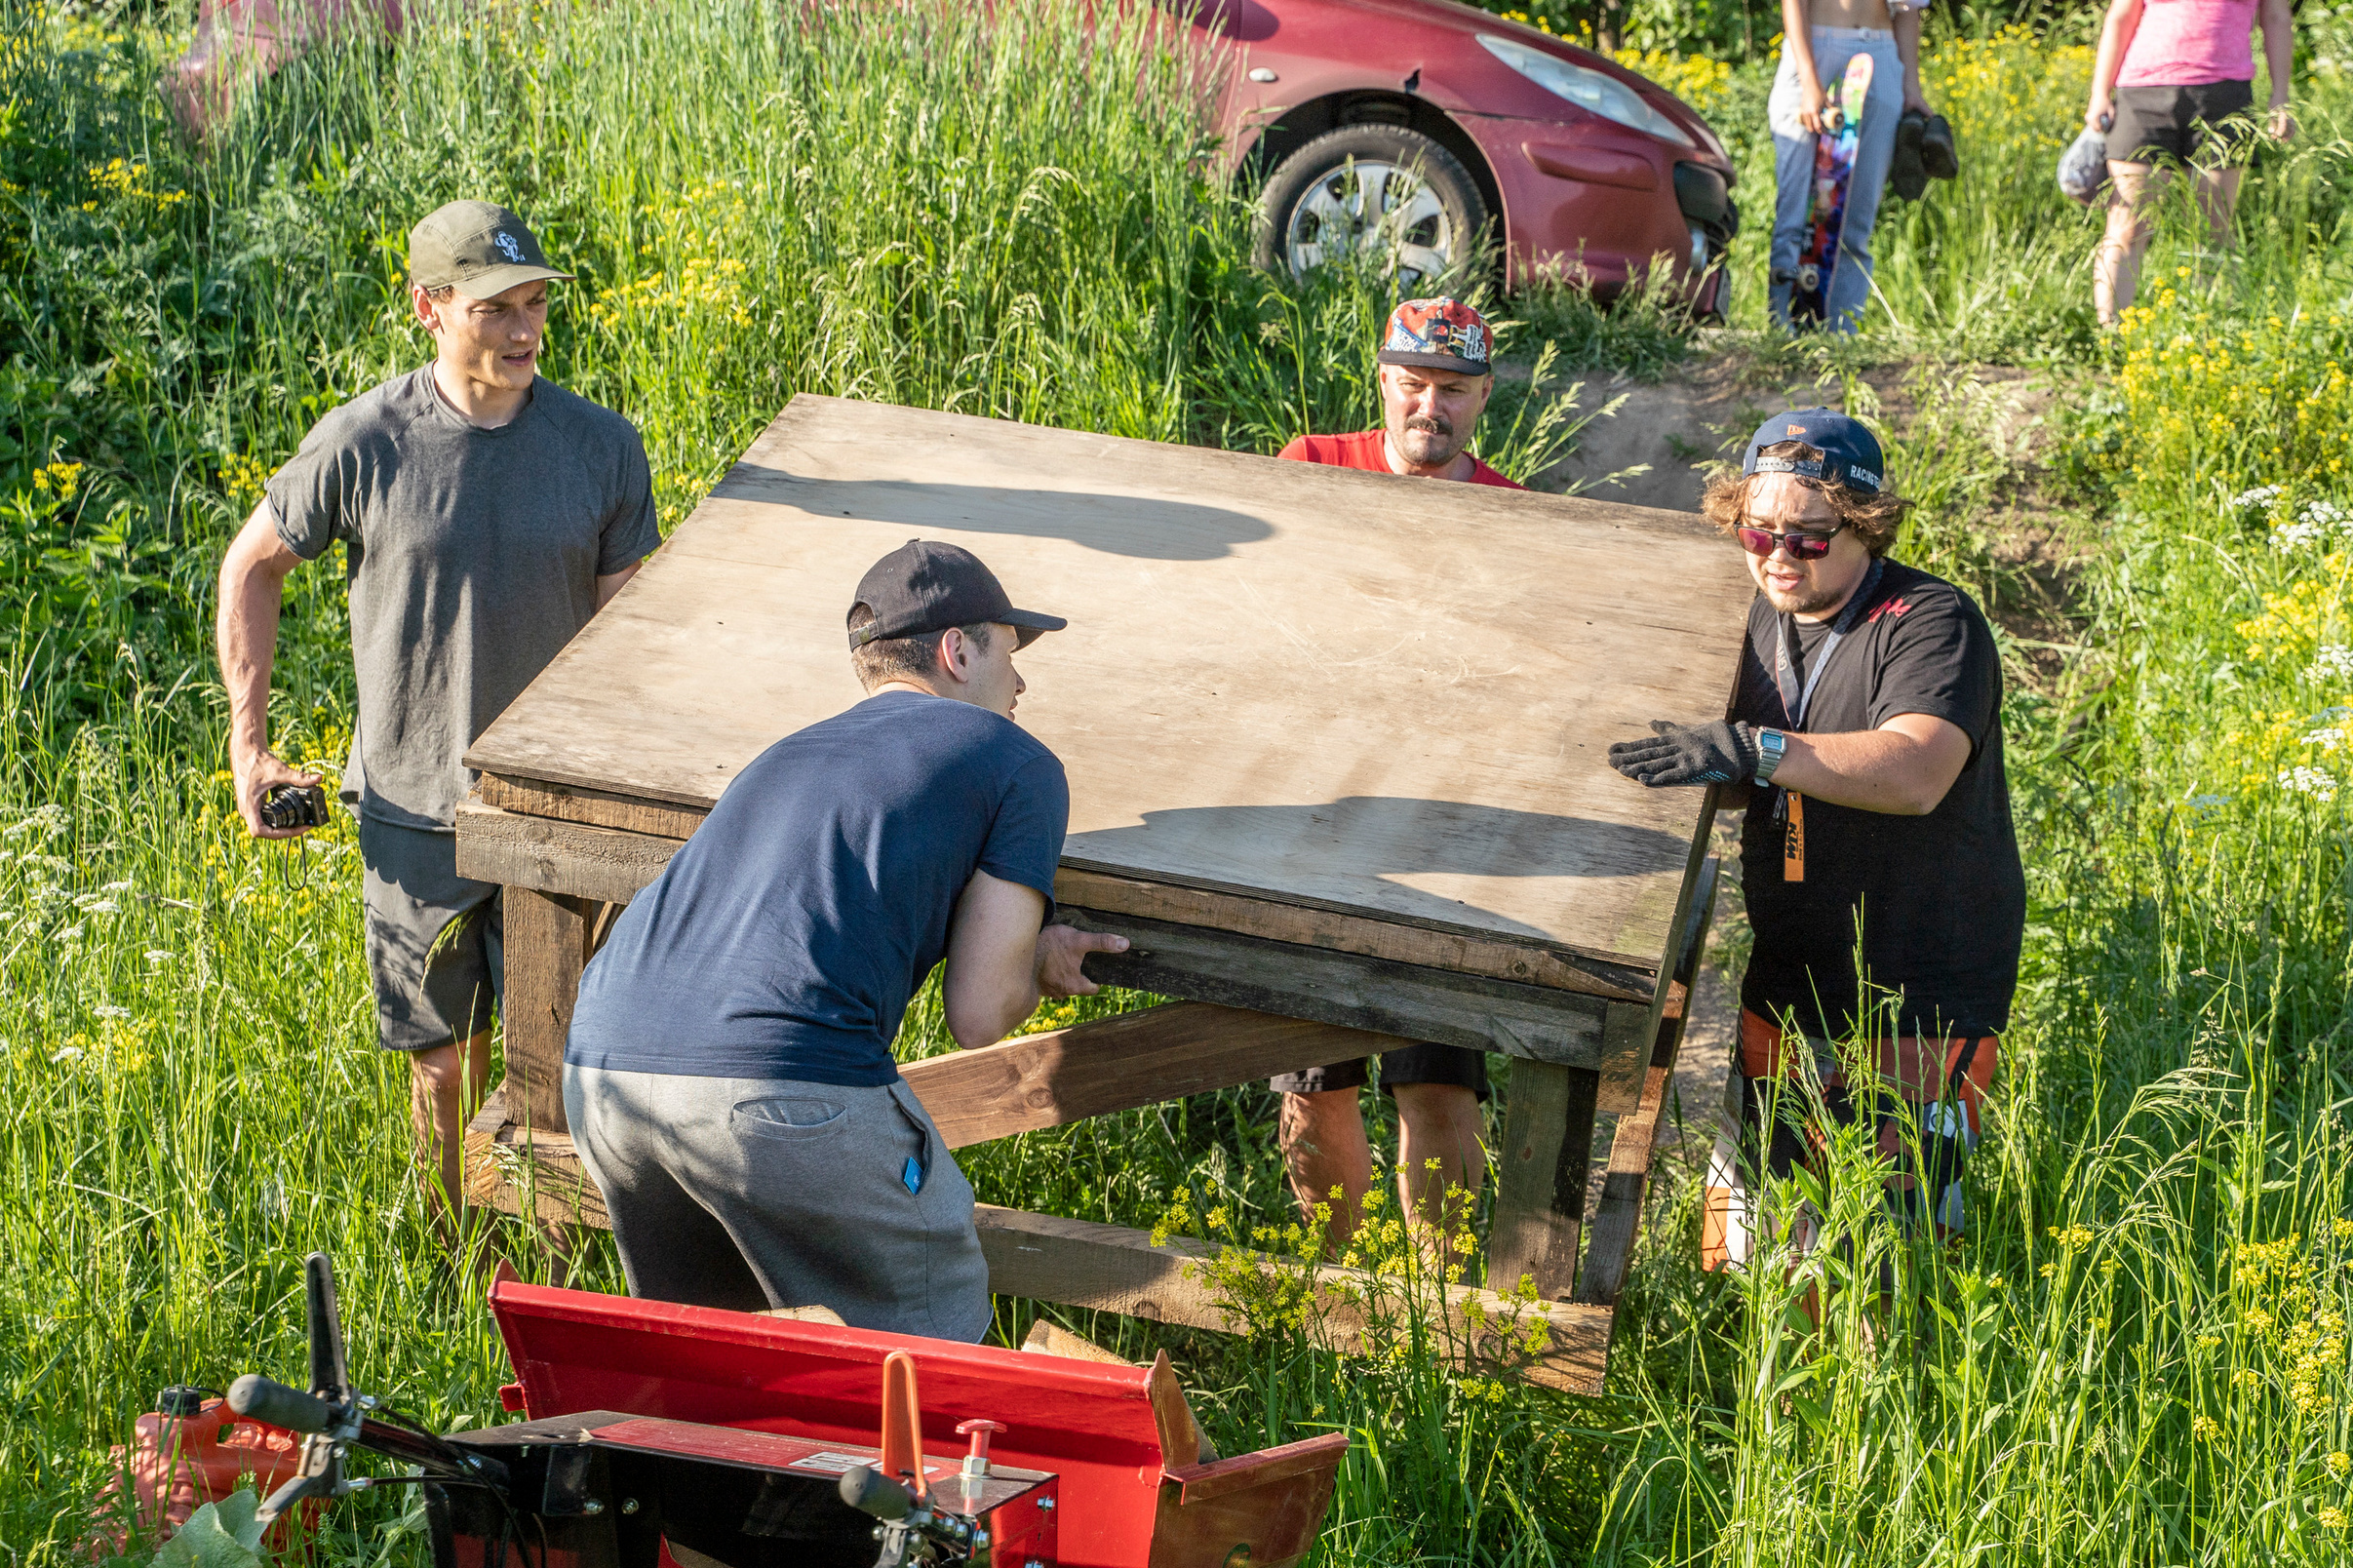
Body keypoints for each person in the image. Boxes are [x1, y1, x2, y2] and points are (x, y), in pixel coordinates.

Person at [216, 200, 659, 1235]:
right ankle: (446, 1247)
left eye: (536, 303)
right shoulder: (366, 442)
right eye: (495, 308)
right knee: (441, 1064)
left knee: (568, 1058)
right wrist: (250, 746)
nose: (523, 329)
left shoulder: (601, 448)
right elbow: (250, 567)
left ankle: (557, 1256)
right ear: (428, 306)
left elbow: (626, 631)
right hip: (416, 811)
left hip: (555, 816)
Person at [560, 540, 1128, 1340]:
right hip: (775, 1082)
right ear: (956, 650)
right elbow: (979, 1010)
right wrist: (1038, 965)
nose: (1021, 679)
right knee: (927, 1338)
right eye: (1008, 647)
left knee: (713, 1366)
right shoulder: (1016, 760)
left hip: (603, 1072)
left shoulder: (789, 751)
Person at [1609, 409, 2022, 1258]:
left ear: (1863, 526)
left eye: (1807, 537)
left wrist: (1753, 747)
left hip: (1917, 996)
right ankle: (1762, 1396)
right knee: (1752, 1252)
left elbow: (1915, 770)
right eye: (1758, 533)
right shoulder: (1757, 618)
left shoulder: (1930, 621)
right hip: (1791, 977)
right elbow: (1751, 776)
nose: (1777, 556)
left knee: (1884, 1260)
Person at [1269, 296, 1513, 1252]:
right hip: (1310, 819)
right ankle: (1333, 1295)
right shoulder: (1313, 469)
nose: (1430, 406)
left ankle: (1437, 1313)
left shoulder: (1512, 511)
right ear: (1383, 382)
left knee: (1439, 1081)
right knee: (1312, 1078)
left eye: (1452, 390)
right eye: (1413, 384)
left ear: (1481, 398)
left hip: (1444, 829)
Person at [2085, 0, 2294, 327]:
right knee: (2128, 224)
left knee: (2214, 226)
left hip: (2226, 96)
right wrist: (2100, 92)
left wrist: (2281, 95)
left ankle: (2208, 341)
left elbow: (2277, 17)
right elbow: (2122, 16)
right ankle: (2111, 340)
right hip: (2143, 93)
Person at [1768, 0, 1933, 333]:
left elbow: (1907, 9)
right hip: (1816, 45)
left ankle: (1841, 334)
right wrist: (1809, 80)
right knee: (1795, 211)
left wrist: (1911, 85)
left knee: (1857, 216)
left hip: (1882, 54)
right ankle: (1784, 331)